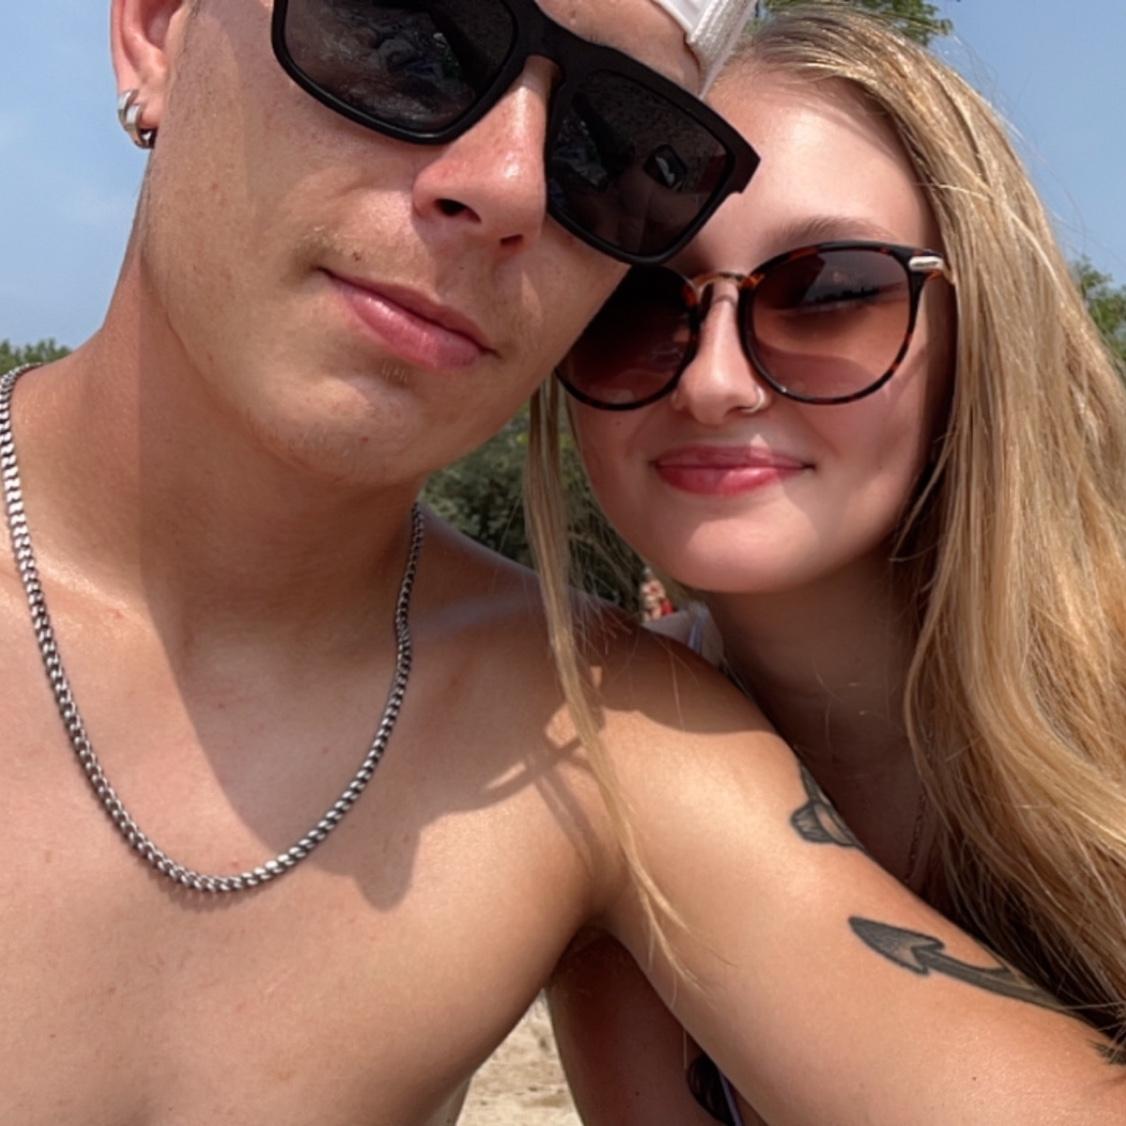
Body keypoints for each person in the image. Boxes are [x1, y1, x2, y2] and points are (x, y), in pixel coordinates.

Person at [2, 3, 1123, 1126]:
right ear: (158, 27)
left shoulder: (598, 731)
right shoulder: (593, 726)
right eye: (406, 46)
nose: (510, 184)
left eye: (601, 145)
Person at [548, 5, 1126, 1123]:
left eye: (827, 293)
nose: (714, 383)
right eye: (633, 300)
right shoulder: (590, 771)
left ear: (980, 329)